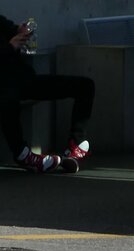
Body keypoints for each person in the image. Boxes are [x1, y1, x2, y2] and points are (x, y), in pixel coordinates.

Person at [0, 14, 94, 173]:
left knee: (85, 86)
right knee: (8, 100)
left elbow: (9, 27)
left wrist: (21, 30)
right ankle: (23, 155)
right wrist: (10, 47)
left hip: (23, 79)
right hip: (4, 86)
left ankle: (75, 146)